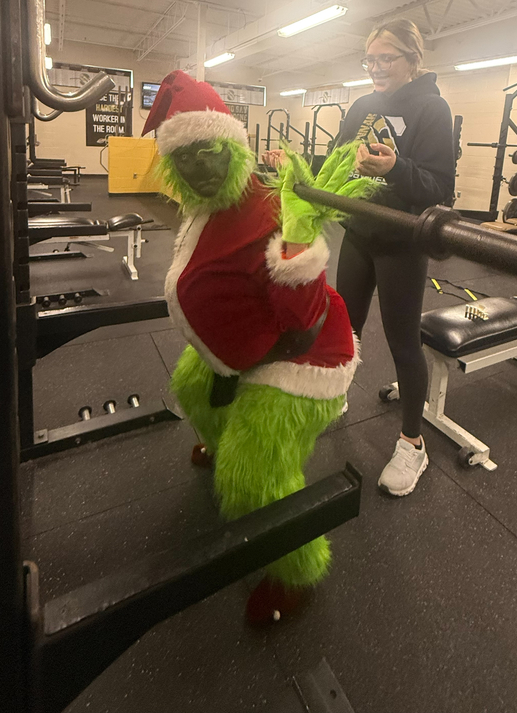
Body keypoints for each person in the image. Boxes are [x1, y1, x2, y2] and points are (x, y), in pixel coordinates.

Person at [143, 70, 376, 625]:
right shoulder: (212, 204)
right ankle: (222, 441)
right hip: (252, 346)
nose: (202, 169)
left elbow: (304, 317)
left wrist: (297, 244)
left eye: (211, 153)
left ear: (233, 148)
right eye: (187, 159)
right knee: (192, 384)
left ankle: (296, 572)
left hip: (305, 356)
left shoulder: (268, 209)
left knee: (252, 478)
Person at [335, 17, 455, 497]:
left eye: (386, 58)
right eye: (370, 59)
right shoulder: (362, 106)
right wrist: (297, 166)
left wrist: (395, 167)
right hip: (358, 233)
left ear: (413, 59)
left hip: (401, 242)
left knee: (403, 343)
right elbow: (337, 160)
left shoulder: (432, 108)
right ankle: (336, 396)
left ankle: (413, 444)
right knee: (343, 330)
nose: (376, 68)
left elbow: (438, 187)